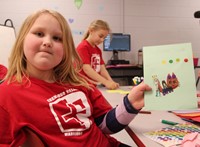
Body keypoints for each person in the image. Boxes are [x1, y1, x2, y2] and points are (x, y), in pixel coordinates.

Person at [0, 9, 152, 147]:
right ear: (21, 41)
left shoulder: (80, 83)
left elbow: (106, 125)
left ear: (66, 50)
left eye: (57, 38)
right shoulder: (7, 95)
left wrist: (131, 104)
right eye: (39, 34)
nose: (47, 42)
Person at [76, 20, 119, 90]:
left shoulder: (98, 50)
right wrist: (105, 82)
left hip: (92, 87)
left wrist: (111, 81)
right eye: (100, 36)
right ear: (91, 31)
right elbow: (87, 69)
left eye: (104, 38)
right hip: (82, 87)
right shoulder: (83, 47)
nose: (102, 40)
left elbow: (102, 69)